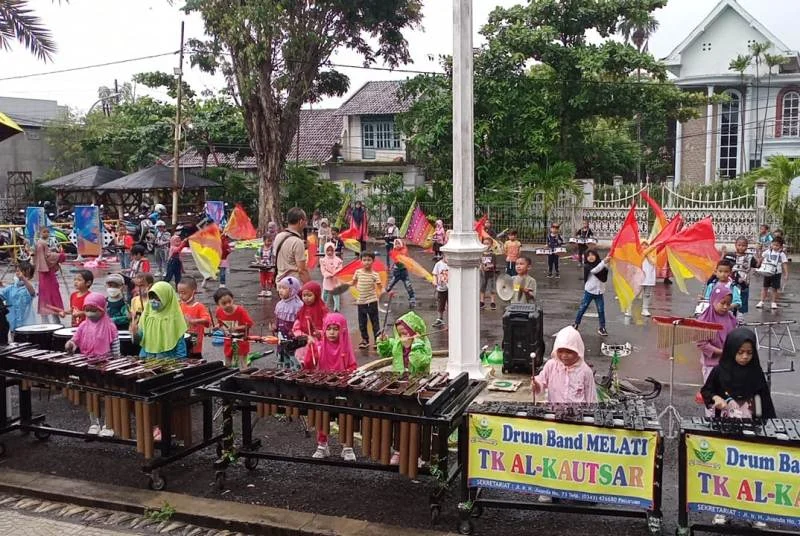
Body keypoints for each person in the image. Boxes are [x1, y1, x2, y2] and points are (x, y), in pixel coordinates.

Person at [64, 291, 120, 437]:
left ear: (101, 309)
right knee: (91, 395)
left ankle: (109, 424)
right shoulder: (83, 325)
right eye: (87, 310)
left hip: (106, 366)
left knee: (109, 396)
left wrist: (115, 364)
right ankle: (94, 423)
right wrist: (70, 344)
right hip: (88, 365)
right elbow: (74, 340)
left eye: (93, 310)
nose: (89, 313)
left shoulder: (110, 326)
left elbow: (116, 349)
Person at [307, 312, 358, 460]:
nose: (331, 332)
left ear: (342, 330)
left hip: (341, 388)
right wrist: (310, 350)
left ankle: (347, 447)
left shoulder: (346, 348)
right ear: (324, 330)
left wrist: (345, 376)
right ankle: (322, 445)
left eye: (335, 329)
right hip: (323, 387)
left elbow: (353, 366)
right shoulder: (319, 346)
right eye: (328, 329)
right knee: (322, 415)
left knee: (345, 417)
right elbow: (309, 365)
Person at [701, 326, 776, 419]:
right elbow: (707, 390)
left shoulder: (755, 372)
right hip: (724, 419)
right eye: (740, 352)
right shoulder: (719, 370)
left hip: (752, 420)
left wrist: (770, 422)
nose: (745, 356)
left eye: (749, 353)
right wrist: (715, 398)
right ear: (731, 350)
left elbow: (765, 400)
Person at [532, 325, 597, 403]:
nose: (564, 355)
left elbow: (591, 397)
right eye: (560, 351)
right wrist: (536, 384)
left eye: (569, 352)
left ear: (578, 351)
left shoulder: (585, 371)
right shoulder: (551, 365)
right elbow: (541, 380)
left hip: (578, 413)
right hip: (555, 411)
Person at [130, 281, 188, 359]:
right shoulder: (147, 315)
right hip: (147, 359)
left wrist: (181, 361)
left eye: (157, 298)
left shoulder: (175, 318)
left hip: (167, 362)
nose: (153, 301)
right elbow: (139, 340)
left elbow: (180, 345)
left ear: (167, 297)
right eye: (151, 297)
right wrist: (135, 333)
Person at [697, 284, 738, 384]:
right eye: (722, 303)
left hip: (729, 363)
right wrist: (721, 352)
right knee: (712, 393)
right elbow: (702, 344)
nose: (725, 307)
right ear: (713, 300)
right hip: (711, 365)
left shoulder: (731, 318)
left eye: (728, 304)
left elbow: (735, 337)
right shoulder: (705, 319)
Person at [214, 287, 254, 369]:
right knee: (227, 362)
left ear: (233, 299)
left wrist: (237, 328)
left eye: (229, 301)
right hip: (228, 340)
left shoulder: (240, 311)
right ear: (218, 304)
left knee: (242, 364)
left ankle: (243, 377)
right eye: (224, 303)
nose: (228, 305)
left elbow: (249, 324)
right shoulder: (219, 311)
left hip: (241, 340)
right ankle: (229, 377)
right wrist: (217, 326)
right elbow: (220, 323)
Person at [573, 250, 609, 336]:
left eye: (593, 255)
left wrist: (608, 260)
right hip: (589, 291)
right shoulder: (587, 266)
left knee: (601, 310)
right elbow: (595, 270)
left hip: (599, 292)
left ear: (596, 255)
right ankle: (576, 324)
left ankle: (602, 328)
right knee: (583, 308)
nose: (591, 257)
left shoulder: (600, 264)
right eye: (588, 256)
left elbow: (605, 268)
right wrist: (604, 262)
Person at [34, 227, 65, 324]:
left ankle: (47, 320)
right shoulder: (41, 243)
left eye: (47, 231)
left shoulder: (45, 242)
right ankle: (53, 321)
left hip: (45, 272)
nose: (46, 233)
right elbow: (48, 256)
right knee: (51, 295)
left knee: (46, 296)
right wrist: (60, 255)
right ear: (40, 233)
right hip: (47, 273)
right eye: (44, 232)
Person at [0, 262, 37, 339]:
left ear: (29, 276)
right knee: (14, 342)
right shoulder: (10, 288)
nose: (19, 274)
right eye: (17, 271)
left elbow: (32, 292)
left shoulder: (29, 287)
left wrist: (23, 278)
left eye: (25, 274)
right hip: (13, 324)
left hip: (27, 325)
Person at [723, 236, 757, 318]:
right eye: (739, 245)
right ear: (735, 245)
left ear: (747, 246)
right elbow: (722, 264)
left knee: (742, 299)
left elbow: (757, 265)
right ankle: (730, 316)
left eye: (744, 245)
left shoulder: (749, 257)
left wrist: (760, 256)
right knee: (731, 298)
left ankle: (740, 317)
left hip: (744, 284)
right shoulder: (729, 256)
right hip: (731, 283)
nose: (741, 247)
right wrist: (723, 253)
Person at [353, 252, 382, 349]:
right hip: (361, 302)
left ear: (373, 261)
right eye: (364, 260)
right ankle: (365, 340)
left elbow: (380, 287)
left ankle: (377, 340)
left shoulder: (375, 275)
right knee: (362, 323)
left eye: (369, 260)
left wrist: (385, 293)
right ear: (361, 261)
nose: (366, 262)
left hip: (372, 301)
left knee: (375, 322)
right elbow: (353, 283)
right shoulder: (358, 272)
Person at [178, 276, 211, 359]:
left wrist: (194, 321)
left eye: (184, 293)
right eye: (179, 293)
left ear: (193, 292)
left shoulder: (199, 306)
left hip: (194, 338)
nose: (181, 295)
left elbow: (207, 321)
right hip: (183, 337)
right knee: (184, 356)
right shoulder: (179, 305)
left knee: (194, 356)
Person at [274, 207, 309, 283]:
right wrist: (310, 287)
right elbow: (302, 270)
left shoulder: (278, 237)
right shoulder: (297, 242)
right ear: (301, 221)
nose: (305, 224)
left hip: (280, 284)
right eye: (305, 221)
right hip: (293, 284)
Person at [756, 236, 789, 310]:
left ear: (781, 246)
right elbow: (762, 257)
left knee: (774, 288)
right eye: (773, 244)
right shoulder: (768, 251)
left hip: (777, 273)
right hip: (767, 272)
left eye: (777, 245)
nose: (774, 246)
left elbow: (784, 264)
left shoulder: (781, 254)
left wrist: (786, 274)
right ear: (771, 244)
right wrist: (758, 263)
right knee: (765, 287)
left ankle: (773, 302)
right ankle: (761, 301)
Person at [628, 240, 656, 317]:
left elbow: (653, 262)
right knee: (635, 293)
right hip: (639, 277)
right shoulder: (637, 254)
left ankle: (645, 309)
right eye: (642, 245)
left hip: (649, 277)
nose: (644, 246)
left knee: (647, 294)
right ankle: (629, 309)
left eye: (646, 245)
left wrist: (647, 255)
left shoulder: (652, 254)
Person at [386, 240, 416, 309]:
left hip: (403, 272)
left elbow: (404, 256)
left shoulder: (404, 251)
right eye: (396, 244)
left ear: (402, 244)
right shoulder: (394, 251)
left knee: (408, 286)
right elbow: (395, 259)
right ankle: (384, 294)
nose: (397, 245)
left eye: (398, 244)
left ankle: (412, 298)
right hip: (396, 272)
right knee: (390, 284)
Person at [320, 242, 343, 312]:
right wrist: (328, 274)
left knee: (336, 294)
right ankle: (322, 306)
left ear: (334, 250)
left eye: (331, 250)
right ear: (325, 251)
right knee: (325, 294)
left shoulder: (338, 260)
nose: (329, 252)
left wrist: (335, 273)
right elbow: (323, 270)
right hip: (327, 280)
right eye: (328, 250)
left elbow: (340, 268)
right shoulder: (323, 260)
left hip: (335, 280)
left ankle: (336, 308)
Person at [480, 236, 498, 310]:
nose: (486, 245)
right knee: (482, 286)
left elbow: (494, 264)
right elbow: (479, 262)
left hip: (491, 273)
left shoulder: (492, 254)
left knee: (492, 287)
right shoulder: (481, 254)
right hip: (483, 273)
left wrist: (489, 266)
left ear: (491, 245)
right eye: (484, 244)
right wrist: (482, 267)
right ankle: (482, 301)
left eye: (487, 244)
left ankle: (492, 302)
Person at [432, 254, 449, 327]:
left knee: (451, 304)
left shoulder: (452, 265)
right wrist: (435, 281)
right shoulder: (438, 264)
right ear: (443, 256)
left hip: (451, 288)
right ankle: (440, 318)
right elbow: (435, 274)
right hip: (441, 287)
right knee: (440, 303)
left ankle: (451, 319)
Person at [257, 234, 276, 298]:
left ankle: (269, 290)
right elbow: (257, 256)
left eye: (271, 241)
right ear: (264, 241)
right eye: (268, 241)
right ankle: (263, 290)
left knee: (270, 279)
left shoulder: (272, 249)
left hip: (270, 267)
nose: (269, 242)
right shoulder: (260, 249)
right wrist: (259, 262)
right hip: (262, 267)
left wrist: (274, 263)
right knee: (262, 279)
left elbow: (274, 256)